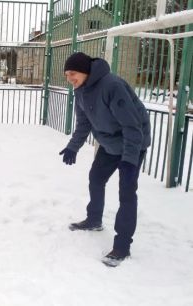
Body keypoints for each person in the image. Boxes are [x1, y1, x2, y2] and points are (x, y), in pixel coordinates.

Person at [59, 52, 151, 267]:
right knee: (96, 179)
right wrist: (73, 147)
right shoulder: (80, 90)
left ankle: (122, 246)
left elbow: (132, 126)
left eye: (72, 73)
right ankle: (94, 220)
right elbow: (84, 123)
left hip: (132, 144)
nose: (69, 78)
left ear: (84, 70)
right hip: (109, 144)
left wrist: (129, 161)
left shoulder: (112, 85)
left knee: (127, 193)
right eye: (66, 74)